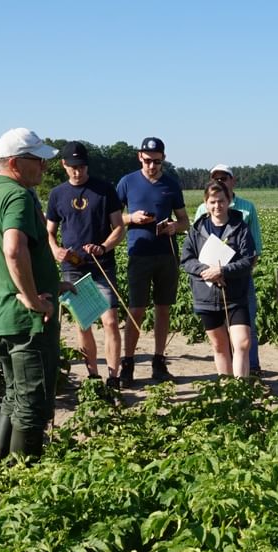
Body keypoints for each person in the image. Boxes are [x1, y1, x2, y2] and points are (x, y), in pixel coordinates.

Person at [0, 128, 66, 462]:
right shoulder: (17, 195)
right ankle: (22, 483)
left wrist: (49, 282)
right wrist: (31, 297)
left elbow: (14, 255)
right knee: (32, 406)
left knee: (14, 397)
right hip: (26, 321)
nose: (45, 167)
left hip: (2, 314)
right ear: (14, 162)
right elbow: (13, 250)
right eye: (38, 160)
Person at [46, 141, 126, 386]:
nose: (77, 171)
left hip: (102, 264)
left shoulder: (104, 190)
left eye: (81, 166)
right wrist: (56, 250)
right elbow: (49, 231)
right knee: (84, 323)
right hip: (72, 267)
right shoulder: (57, 194)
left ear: (87, 165)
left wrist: (103, 246)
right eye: (72, 167)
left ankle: (114, 377)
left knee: (110, 321)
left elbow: (119, 228)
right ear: (63, 165)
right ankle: (93, 376)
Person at [115, 137, 190, 387]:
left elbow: (184, 221)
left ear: (163, 159)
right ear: (140, 157)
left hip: (166, 254)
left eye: (157, 161)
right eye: (148, 161)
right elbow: (112, 218)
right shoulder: (127, 182)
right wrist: (131, 218)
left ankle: (159, 361)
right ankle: (128, 363)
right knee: (136, 309)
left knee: (163, 308)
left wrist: (173, 227)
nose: (152, 166)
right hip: (139, 254)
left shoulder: (171, 184)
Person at [181, 181, 257, 378]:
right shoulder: (196, 230)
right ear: (206, 203)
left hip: (235, 296)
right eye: (212, 202)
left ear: (229, 201)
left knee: (242, 343)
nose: (217, 206)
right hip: (206, 296)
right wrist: (206, 271)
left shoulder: (240, 228)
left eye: (221, 201)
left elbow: (248, 260)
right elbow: (186, 260)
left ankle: (241, 388)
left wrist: (223, 271)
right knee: (219, 345)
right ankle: (227, 390)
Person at [194, 164, 264, 375]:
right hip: (209, 284)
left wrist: (228, 272)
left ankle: (252, 369)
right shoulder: (200, 214)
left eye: (224, 178)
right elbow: (192, 254)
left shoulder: (246, 209)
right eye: (216, 178)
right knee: (220, 342)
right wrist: (209, 273)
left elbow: (253, 251)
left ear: (233, 181)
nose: (220, 181)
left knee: (245, 331)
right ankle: (228, 380)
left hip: (238, 280)